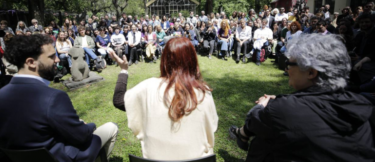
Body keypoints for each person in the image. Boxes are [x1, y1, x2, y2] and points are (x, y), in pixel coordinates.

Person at [230, 34, 375, 162]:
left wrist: (264, 105)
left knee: (262, 142)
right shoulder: (362, 104)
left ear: (311, 72)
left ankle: (241, 134)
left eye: (289, 64)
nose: (286, 69)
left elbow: (257, 119)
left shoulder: (283, 109)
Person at [0, 35, 118, 162]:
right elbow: (82, 136)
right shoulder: (53, 98)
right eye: (52, 56)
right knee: (111, 127)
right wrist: (90, 126)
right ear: (31, 62)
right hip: (62, 157)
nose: (57, 60)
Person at [111, 37, 218, 160]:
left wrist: (124, 71)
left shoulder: (148, 87)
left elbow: (119, 100)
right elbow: (212, 126)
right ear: (193, 60)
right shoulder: (203, 93)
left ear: (165, 60)